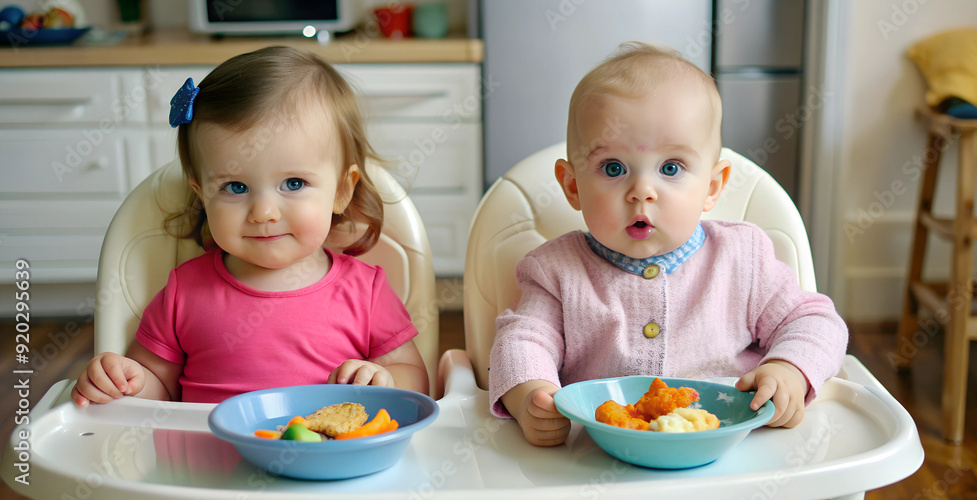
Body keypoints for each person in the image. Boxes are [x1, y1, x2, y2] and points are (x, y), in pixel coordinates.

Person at [488, 42, 848, 446]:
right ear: (573, 186)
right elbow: (522, 339)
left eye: (671, 168)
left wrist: (789, 369)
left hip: (732, 454)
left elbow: (815, 321)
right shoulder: (556, 271)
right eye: (613, 168)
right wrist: (529, 396)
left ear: (712, 187)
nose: (642, 192)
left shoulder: (742, 258)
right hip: (601, 458)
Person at [73, 46, 428, 407]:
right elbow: (157, 391)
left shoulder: (365, 292)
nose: (264, 213)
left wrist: (381, 379)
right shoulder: (183, 292)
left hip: (328, 459)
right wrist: (124, 380)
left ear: (340, 191)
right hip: (206, 462)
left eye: (293, 183)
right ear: (201, 194)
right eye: (235, 187)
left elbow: (415, 379)